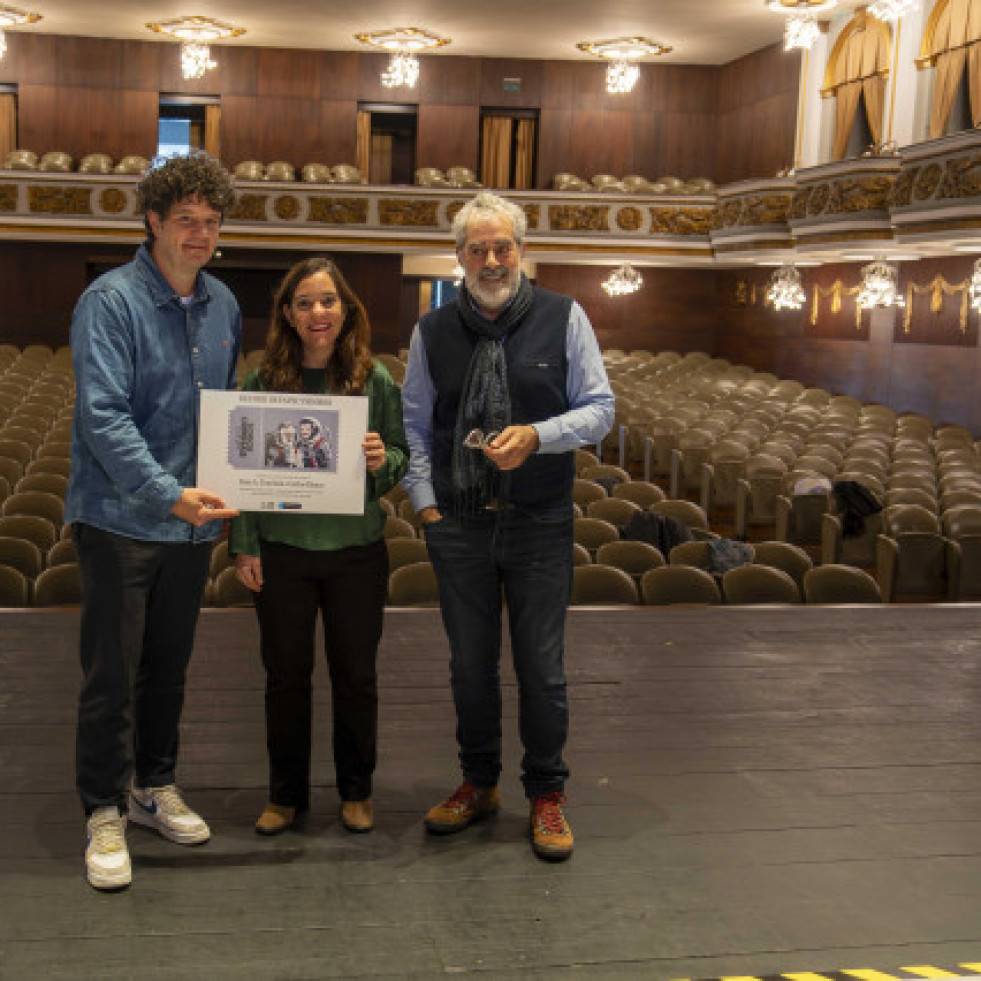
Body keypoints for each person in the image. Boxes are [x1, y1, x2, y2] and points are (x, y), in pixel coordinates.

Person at [400, 191, 614, 861]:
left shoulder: (563, 316)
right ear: (459, 256)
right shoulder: (431, 330)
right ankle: (478, 782)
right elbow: (413, 422)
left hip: (539, 519)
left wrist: (539, 434)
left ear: (521, 250)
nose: (490, 260)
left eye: (502, 247)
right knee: (469, 667)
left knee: (540, 669)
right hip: (457, 524)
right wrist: (424, 502)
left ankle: (545, 794)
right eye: (476, 249)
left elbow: (599, 409)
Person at [65, 152, 241, 891]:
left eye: (209, 223)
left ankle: (153, 785)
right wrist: (169, 492)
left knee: (168, 669)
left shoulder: (224, 303)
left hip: (190, 526)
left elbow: (229, 413)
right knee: (112, 674)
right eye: (185, 222)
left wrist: (227, 495)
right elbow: (103, 418)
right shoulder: (108, 301)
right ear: (153, 222)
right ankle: (102, 805)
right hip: (120, 518)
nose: (198, 235)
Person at [230, 257, 408, 838]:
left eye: (327, 301)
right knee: (285, 678)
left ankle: (357, 790)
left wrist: (383, 463)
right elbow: (244, 473)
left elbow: (400, 459)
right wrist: (245, 545)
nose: (317, 313)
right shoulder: (262, 380)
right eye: (304, 303)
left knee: (356, 677)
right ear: (288, 313)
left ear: (345, 309)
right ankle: (286, 796)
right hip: (281, 553)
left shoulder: (372, 378)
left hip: (356, 553)